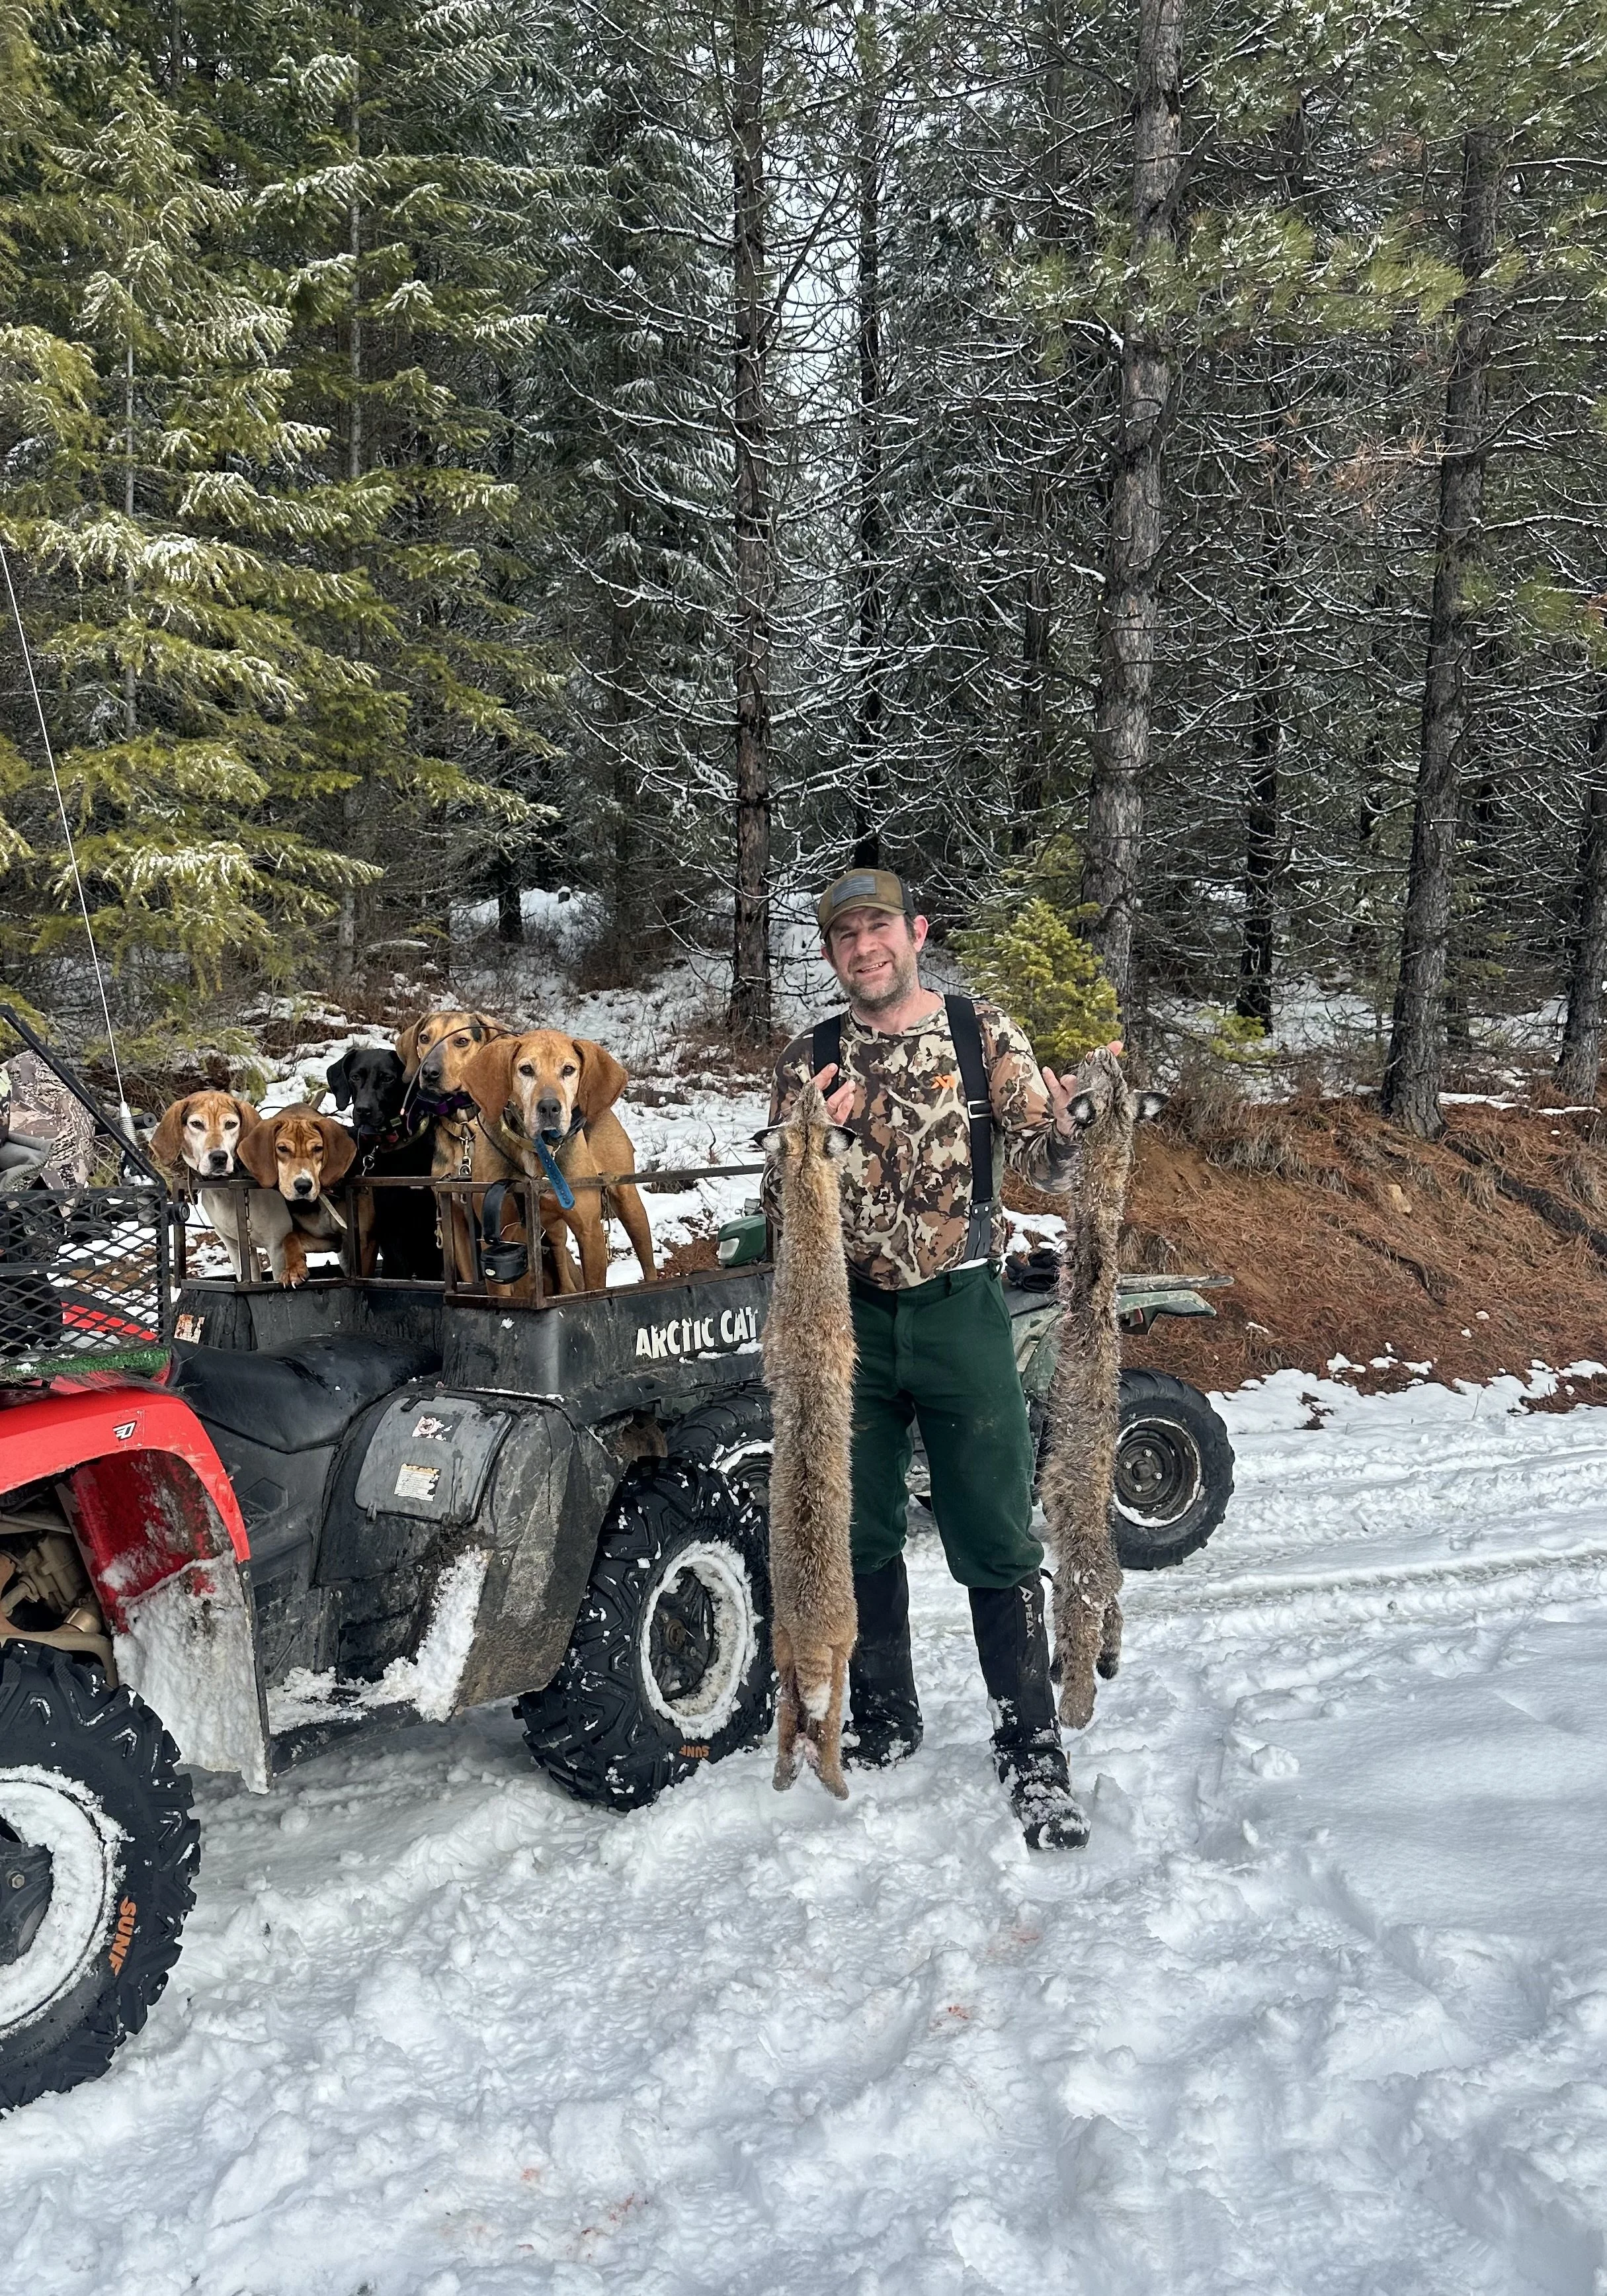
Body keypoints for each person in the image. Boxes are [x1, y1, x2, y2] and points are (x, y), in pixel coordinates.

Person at [768, 867, 1106, 1850]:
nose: (863, 948)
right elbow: (784, 1207)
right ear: (831, 955)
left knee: (996, 1532)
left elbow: (1047, 1163)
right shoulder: (810, 1057)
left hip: (962, 1306)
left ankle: (1030, 1743)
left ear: (914, 931)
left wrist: (1076, 1112)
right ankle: (882, 1713)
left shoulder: (978, 1033)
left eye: (878, 929)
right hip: (848, 1320)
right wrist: (806, 1145)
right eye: (844, 938)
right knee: (859, 1528)